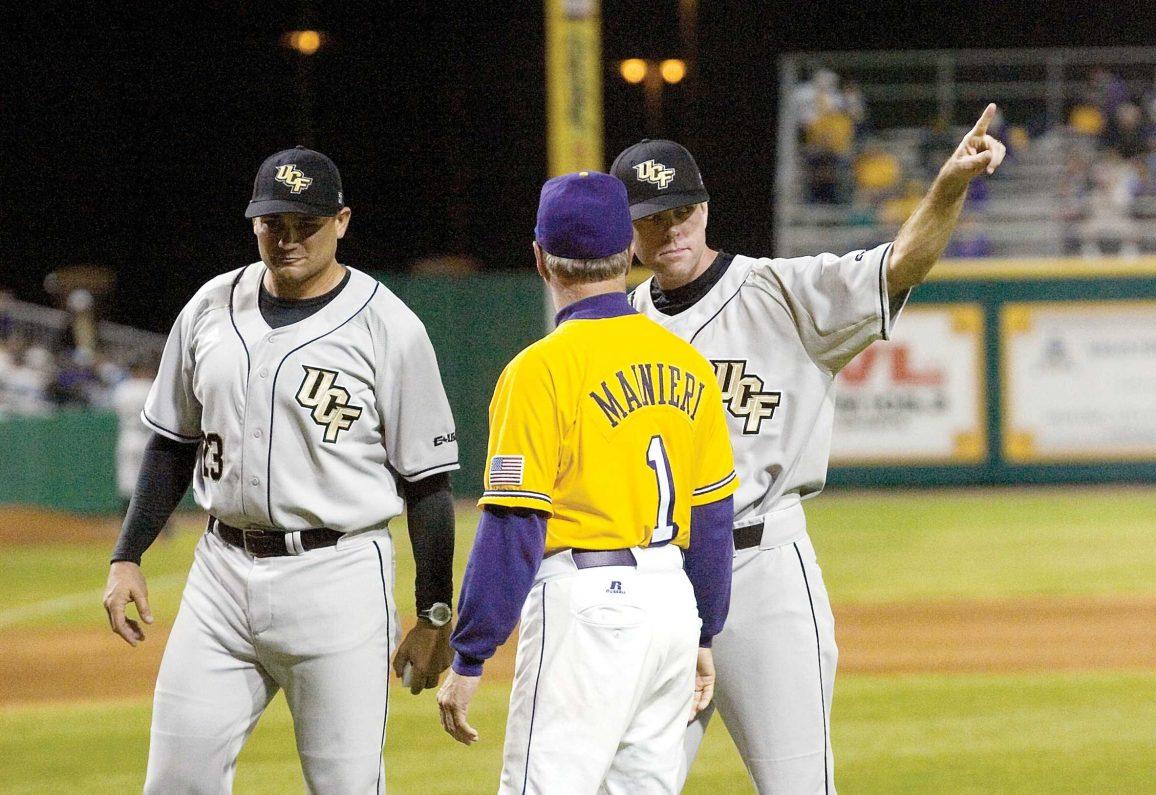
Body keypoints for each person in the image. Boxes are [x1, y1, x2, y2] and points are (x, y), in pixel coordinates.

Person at [611, 104, 1007, 794]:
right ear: (628, 230)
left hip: (759, 566)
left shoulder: (782, 291)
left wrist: (946, 186)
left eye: (678, 211)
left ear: (703, 208)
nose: (668, 229)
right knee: (624, 785)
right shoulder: (619, 329)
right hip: (654, 577)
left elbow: (901, 264)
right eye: (649, 216)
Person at [101, 146, 461, 794]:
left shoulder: (388, 327)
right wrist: (127, 555)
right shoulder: (211, 305)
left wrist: (434, 613)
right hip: (220, 575)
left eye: (307, 223)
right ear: (254, 222)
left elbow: (428, 484)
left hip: (338, 576)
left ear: (342, 221)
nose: (289, 237)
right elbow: (172, 443)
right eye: (275, 222)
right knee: (174, 782)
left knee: (345, 786)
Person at [435, 171, 738, 793]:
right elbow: (712, 521)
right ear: (629, 250)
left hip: (589, 609)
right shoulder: (688, 363)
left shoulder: (539, 369)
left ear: (541, 258)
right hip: (670, 606)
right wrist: (702, 629)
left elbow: (515, 525)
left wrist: (471, 653)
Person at [111, 354, 157, 517]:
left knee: (128, 481)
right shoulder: (151, 386)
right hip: (147, 438)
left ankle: (125, 520)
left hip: (128, 437)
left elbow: (117, 409)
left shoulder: (122, 388)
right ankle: (160, 524)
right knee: (150, 482)